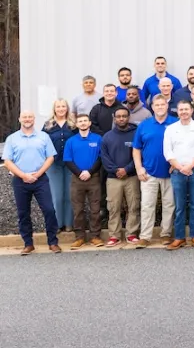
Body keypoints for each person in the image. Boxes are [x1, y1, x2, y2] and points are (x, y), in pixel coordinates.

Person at [3, 111, 61, 255]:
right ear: (20, 119)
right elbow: (7, 161)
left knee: (49, 210)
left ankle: (53, 242)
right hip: (20, 180)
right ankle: (28, 244)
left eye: (30, 117)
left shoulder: (43, 137)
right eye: (24, 117)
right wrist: (23, 175)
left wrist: (38, 174)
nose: (27, 119)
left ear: (34, 120)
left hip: (40, 179)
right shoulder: (12, 138)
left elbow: (50, 158)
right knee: (23, 213)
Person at [163, 100, 194, 250]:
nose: (183, 112)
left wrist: (189, 166)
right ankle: (179, 237)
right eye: (181, 109)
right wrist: (180, 167)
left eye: (186, 109)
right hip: (177, 171)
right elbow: (168, 152)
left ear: (191, 110)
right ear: (177, 111)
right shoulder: (170, 129)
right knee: (180, 206)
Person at [133, 95, 177, 248]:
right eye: (156, 105)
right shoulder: (144, 125)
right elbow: (136, 148)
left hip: (171, 172)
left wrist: (176, 164)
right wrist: (139, 168)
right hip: (149, 172)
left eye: (162, 104)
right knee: (147, 205)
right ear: (152, 107)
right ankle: (145, 236)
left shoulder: (175, 123)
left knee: (169, 205)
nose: (159, 107)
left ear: (167, 106)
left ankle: (165, 234)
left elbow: (181, 146)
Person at [100, 107, 140, 246]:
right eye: (119, 116)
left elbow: (139, 154)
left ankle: (132, 234)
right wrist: (116, 170)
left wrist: (127, 169)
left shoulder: (136, 134)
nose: (121, 118)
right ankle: (114, 235)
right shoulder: (107, 137)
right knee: (113, 207)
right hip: (113, 178)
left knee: (133, 206)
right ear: (114, 118)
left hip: (132, 176)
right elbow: (104, 158)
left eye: (124, 116)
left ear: (128, 118)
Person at [63, 113, 104, 249]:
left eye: (85, 121)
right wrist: (79, 173)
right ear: (77, 124)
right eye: (80, 121)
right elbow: (68, 160)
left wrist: (89, 172)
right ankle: (79, 237)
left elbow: (100, 158)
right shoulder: (71, 141)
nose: (83, 123)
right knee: (78, 209)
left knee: (95, 209)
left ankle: (95, 236)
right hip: (77, 179)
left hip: (94, 178)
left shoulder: (98, 139)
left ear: (89, 123)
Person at [44, 100, 75, 232]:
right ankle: (57, 224)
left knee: (69, 195)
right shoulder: (48, 125)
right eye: (58, 106)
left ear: (67, 108)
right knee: (57, 195)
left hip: (71, 164)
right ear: (54, 109)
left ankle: (69, 223)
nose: (61, 109)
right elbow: (42, 143)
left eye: (63, 106)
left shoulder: (73, 125)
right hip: (54, 164)